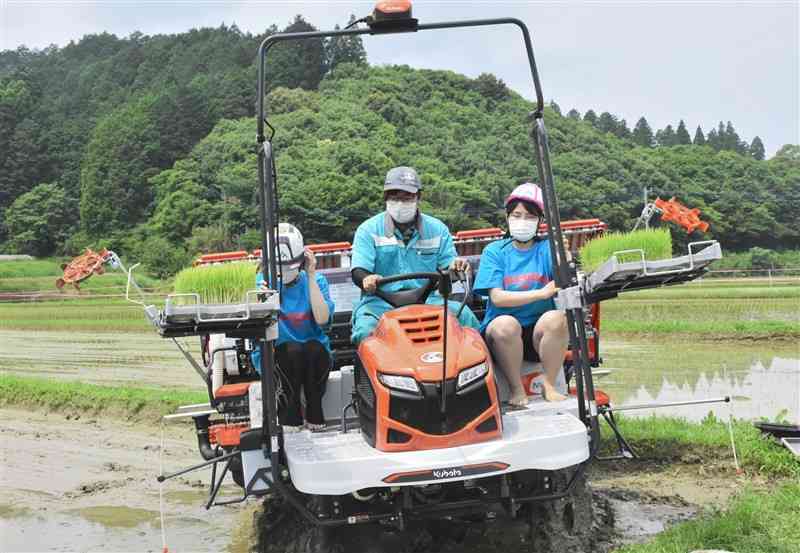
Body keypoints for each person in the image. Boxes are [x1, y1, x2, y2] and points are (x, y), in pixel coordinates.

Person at [350, 166, 479, 344]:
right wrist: (367, 279)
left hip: (429, 300)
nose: (400, 202)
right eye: (394, 196)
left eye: (407, 197)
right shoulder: (368, 230)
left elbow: (449, 267)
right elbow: (358, 270)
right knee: (365, 330)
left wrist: (456, 267)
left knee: (465, 317)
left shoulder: (437, 229)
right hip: (380, 303)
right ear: (386, 197)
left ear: (418, 197)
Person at [473, 182, 569, 406]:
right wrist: (541, 294)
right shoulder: (495, 251)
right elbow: (497, 297)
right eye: (517, 215)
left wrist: (564, 257)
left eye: (529, 216)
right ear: (507, 218)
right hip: (503, 336)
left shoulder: (547, 248)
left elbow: (563, 283)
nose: (522, 221)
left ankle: (549, 383)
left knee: (558, 319)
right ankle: (517, 390)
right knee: (505, 325)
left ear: (540, 221)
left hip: (539, 333)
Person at [253, 223, 335, 431]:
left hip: (313, 357)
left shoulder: (317, 281)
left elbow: (323, 319)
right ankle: (290, 416)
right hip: (279, 356)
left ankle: (315, 411)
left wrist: (311, 275)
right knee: (291, 350)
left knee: (312, 348)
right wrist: (262, 301)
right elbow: (257, 329)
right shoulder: (259, 285)